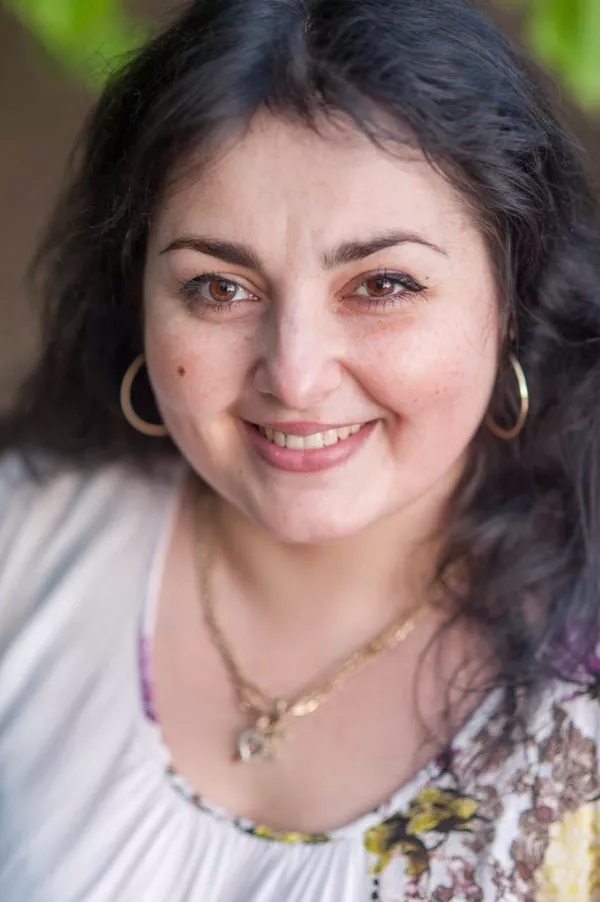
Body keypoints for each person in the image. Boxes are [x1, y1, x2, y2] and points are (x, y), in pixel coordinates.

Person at [2, 0, 600, 898]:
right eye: (219, 288)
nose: (295, 376)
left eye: (383, 284)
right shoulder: (23, 541)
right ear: (138, 297)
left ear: (513, 295)